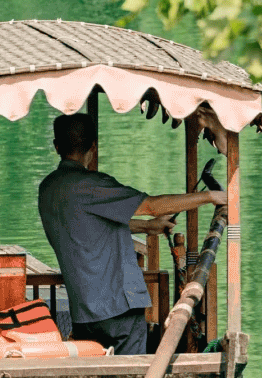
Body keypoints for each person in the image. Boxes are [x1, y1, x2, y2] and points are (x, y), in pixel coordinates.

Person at [37, 111, 226, 356]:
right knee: (131, 374)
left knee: (96, 375)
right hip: (117, 307)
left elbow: (86, 227)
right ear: (93, 145)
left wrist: (147, 227)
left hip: (83, 310)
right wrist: (209, 196)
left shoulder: (49, 188)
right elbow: (151, 206)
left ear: (56, 146)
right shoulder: (93, 185)